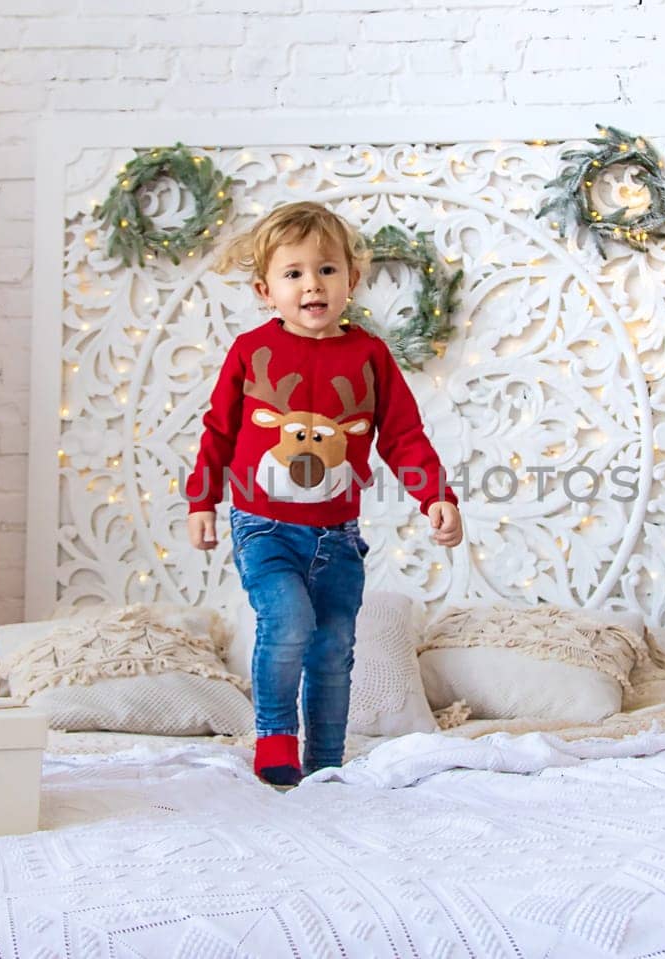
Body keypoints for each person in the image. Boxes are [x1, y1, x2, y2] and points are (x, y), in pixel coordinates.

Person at [185, 201, 463, 787]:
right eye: (294, 274)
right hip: (262, 525)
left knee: (334, 645)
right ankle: (276, 738)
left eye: (326, 270)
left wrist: (435, 495)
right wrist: (202, 501)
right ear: (266, 290)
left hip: (337, 535)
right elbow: (220, 430)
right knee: (287, 622)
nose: (312, 284)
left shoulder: (370, 356)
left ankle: (326, 759)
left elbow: (404, 435)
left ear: (351, 280)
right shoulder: (249, 352)